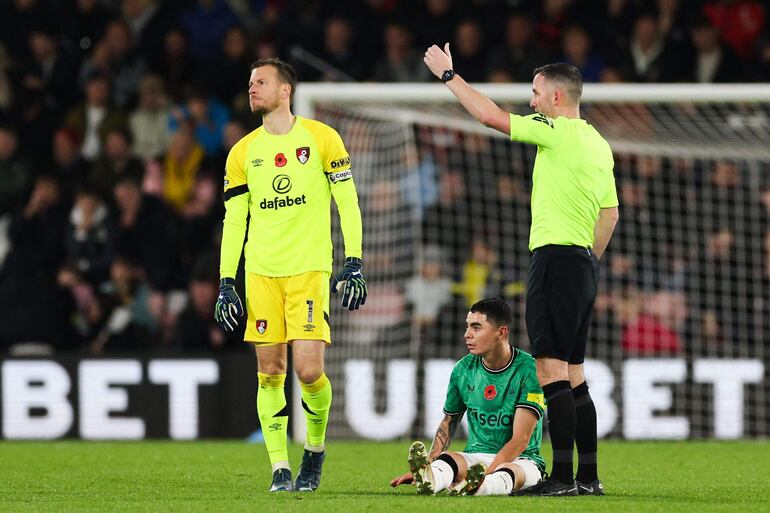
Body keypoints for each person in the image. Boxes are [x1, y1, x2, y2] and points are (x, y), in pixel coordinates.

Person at [423, 47, 619, 496]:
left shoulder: (557, 130)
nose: (530, 101)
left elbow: (490, 117)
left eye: (534, 93)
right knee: (575, 373)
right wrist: (589, 262)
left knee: (550, 371)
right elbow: (609, 214)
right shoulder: (598, 142)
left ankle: (564, 479)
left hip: (553, 259)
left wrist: (449, 75)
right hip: (583, 264)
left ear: (554, 97)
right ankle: (588, 477)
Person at [215, 58, 366, 493]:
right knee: (269, 371)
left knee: (308, 370)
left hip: (308, 270)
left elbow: (348, 204)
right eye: (249, 83)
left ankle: (314, 451)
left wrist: (352, 261)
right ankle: (280, 467)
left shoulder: (322, 139)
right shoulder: (242, 153)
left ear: (286, 91)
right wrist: (227, 282)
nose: (252, 88)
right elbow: (234, 221)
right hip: (261, 273)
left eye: (261, 82)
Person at [390, 298, 545, 496]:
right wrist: (430, 465)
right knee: (447, 460)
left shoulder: (529, 370)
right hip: (476, 458)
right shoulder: (463, 369)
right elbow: (449, 422)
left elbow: (521, 439)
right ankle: (430, 480)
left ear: (501, 332)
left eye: (476, 327)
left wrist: (487, 473)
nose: (467, 335)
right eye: (467, 327)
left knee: (508, 473)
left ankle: (480, 486)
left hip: (522, 460)